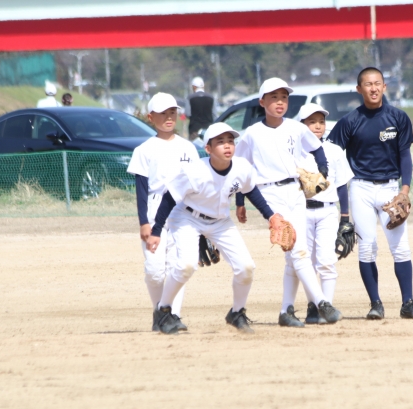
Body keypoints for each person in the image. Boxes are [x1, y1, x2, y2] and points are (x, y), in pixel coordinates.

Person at [146, 122, 289, 334]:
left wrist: (271, 216)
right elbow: (169, 198)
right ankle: (164, 310)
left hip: (220, 222)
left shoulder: (241, 167)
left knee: (246, 267)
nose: (227, 145)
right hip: (187, 217)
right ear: (208, 149)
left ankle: (237, 313)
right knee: (186, 265)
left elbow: (251, 191)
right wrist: (156, 231)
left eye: (230, 141)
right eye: (220, 142)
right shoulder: (195, 171)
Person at [235, 77, 343, 327]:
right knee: (299, 252)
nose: (280, 102)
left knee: (294, 257)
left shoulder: (296, 128)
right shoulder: (251, 134)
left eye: (284, 97)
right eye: (273, 97)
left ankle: (286, 311)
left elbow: (317, 148)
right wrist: (240, 201)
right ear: (262, 102)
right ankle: (322, 303)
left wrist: (323, 171)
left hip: (295, 192)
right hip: (270, 194)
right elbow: (241, 168)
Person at [327, 67, 413, 320]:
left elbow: (405, 155)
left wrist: (404, 191)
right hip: (360, 188)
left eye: (377, 83)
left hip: (390, 189)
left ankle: (408, 304)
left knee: (401, 248)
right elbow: (330, 154)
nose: (373, 88)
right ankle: (376, 304)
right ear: (359, 89)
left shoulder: (398, 117)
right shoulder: (350, 121)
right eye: (367, 84)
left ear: (384, 87)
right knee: (367, 248)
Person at [127, 92, 197, 331]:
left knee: (178, 267)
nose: (169, 117)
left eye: (172, 112)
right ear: (151, 117)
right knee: (155, 271)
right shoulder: (144, 149)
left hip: (183, 212)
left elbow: (196, 186)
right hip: (155, 209)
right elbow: (141, 189)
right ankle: (159, 311)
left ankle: (172, 315)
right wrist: (143, 222)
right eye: (163, 113)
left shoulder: (188, 148)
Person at [285, 103, 354, 323]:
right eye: (311, 122)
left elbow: (341, 185)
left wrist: (345, 216)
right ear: (301, 125)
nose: (317, 126)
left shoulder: (333, 151)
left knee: (326, 261)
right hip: (301, 211)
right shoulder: (294, 151)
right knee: (304, 261)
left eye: (321, 122)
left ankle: (325, 308)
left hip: (327, 212)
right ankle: (313, 305)